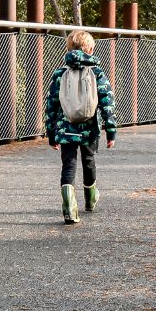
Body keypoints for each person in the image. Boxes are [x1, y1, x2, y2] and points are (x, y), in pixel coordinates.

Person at [43, 30, 118, 224]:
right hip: (88, 128)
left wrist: (51, 133)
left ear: (68, 49)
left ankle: (69, 204)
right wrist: (111, 131)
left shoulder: (60, 73)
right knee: (88, 160)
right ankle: (90, 198)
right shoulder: (96, 72)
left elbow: (51, 104)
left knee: (68, 165)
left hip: (65, 128)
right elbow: (107, 103)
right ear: (91, 49)